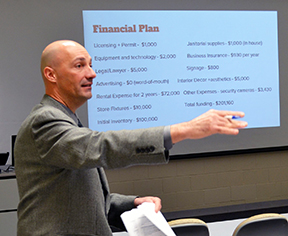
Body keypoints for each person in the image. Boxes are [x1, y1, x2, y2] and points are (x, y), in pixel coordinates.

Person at [14, 40, 247, 236]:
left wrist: (132, 203)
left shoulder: (67, 119)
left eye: (91, 65)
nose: (92, 73)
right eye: (79, 66)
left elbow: (83, 202)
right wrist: (182, 130)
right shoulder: (44, 122)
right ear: (51, 74)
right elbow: (100, 145)